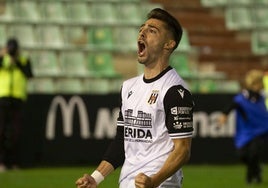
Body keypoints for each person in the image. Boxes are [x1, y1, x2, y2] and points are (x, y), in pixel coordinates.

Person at [76, 8, 194, 188]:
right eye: (141, 29)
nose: (142, 33)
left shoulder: (174, 90)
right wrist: (96, 178)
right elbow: (122, 140)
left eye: (152, 30)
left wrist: (154, 181)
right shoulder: (128, 87)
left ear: (169, 44)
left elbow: (183, 150)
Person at [217, 69, 268, 184]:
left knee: (254, 153)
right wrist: (224, 115)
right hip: (246, 132)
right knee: (242, 155)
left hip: (261, 130)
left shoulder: (262, 97)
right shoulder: (242, 98)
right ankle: (257, 170)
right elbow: (233, 105)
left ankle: (251, 179)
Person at [0, 38, 33, 172]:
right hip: (2, 97)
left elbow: (29, 74)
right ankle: (1, 162)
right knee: (1, 131)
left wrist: (17, 61)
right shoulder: (2, 58)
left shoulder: (23, 60)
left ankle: (14, 162)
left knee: (15, 132)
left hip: (18, 99)